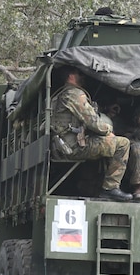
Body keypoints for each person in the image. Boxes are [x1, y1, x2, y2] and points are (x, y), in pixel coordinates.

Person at [50, 66, 133, 201]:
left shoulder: (60, 94)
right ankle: (110, 188)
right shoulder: (74, 93)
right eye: (79, 73)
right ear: (71, 76)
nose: (83, 77)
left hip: (62, 146)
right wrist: (108, 130)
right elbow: (92, 122)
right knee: (123, 144)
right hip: (74, 147)